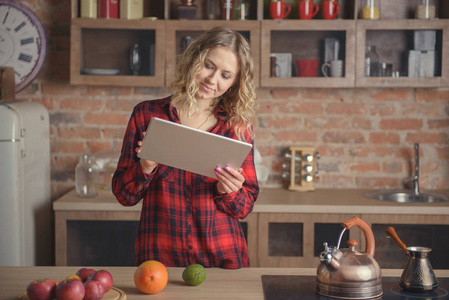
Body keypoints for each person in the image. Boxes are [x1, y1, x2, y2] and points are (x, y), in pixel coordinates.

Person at [112, 27, 259, 269]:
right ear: (194, 59)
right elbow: (123, 195)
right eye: (209, 66)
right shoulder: (146, 114)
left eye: (226, 75)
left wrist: (230, 191)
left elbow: (245, 207)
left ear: (235, 82)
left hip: (223, 258)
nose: (212, 80)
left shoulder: (238, 126)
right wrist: (145, 168)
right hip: (160, 259)